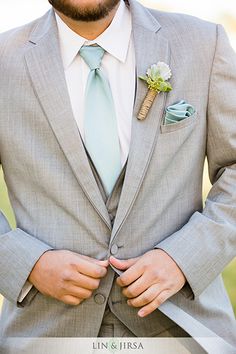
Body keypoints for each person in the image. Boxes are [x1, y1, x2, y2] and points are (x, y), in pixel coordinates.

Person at [0, 0, 236, 352]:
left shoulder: (204, 43)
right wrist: (25, 262)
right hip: (44, 335)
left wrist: (185, 258)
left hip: (186, 331)